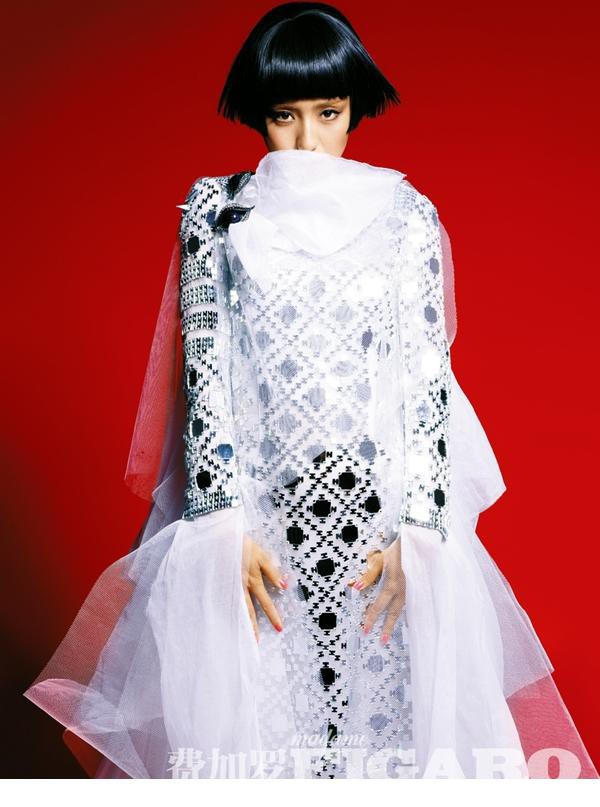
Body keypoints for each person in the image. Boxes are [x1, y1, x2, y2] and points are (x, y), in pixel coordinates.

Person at [23, 2, 598, 780]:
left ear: (355, 107)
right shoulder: (215, 213)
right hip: (258, 520)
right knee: (256, 733)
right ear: (257, 115)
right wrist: (221, 526)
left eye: (328, 113)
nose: (306, 141)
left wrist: (419, 532)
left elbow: (426, 376)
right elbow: (206, 371)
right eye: (283, 116)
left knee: (394, 733)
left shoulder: (406, 216)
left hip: (381, 519)